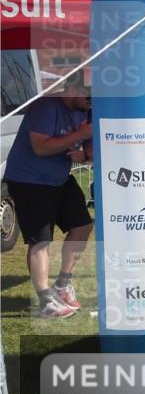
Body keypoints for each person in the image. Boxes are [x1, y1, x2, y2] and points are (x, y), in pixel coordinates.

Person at [4, 74, 93, 318]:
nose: (91, 101)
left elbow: (91, 149)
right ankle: (45, 300)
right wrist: (79, 135)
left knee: (82, 226)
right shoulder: (46, 105)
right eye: (88, 95)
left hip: (59, 178)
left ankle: (62, 284)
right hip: (29, 179)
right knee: (41, 240)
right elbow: (40, 147)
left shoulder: (87, 109)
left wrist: (84, 156)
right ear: (73, 89)